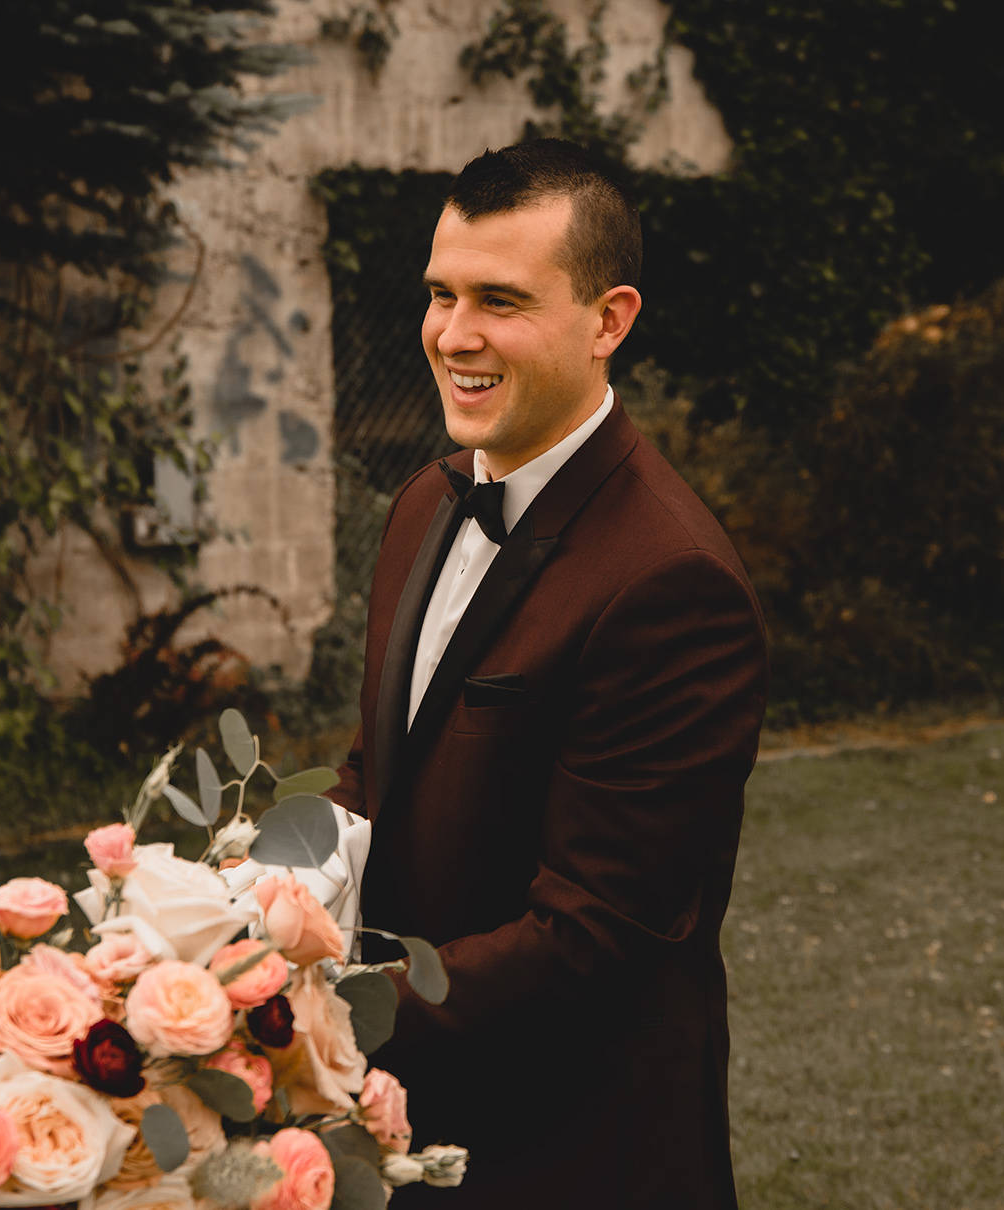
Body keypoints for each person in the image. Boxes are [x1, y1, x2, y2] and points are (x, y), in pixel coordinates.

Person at [328, 140, 767, 1207]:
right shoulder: (423, 504)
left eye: (501, 300)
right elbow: (382, 773)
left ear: (608, 320)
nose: (453, 334)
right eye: (441, 293)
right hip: (409, 1119)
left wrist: (328, 1007)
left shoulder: (671, 581)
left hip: (575, 1144)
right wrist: (255, 904)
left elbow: (594, 932)